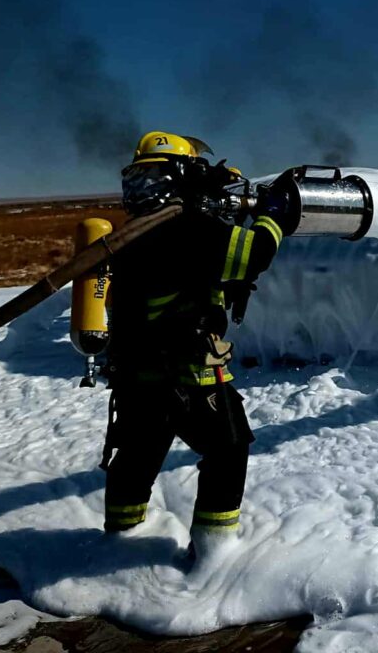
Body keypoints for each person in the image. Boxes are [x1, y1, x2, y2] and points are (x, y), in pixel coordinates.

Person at [101, 131, 293, 568]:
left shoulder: (136, 231)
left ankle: (118, 541)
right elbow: (253, 255)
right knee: (228, 450)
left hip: (135, 375)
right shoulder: (187, 228)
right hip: (187, 373)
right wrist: (272, 216)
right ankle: (214, 553)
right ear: (183, 175)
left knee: (138, 456)